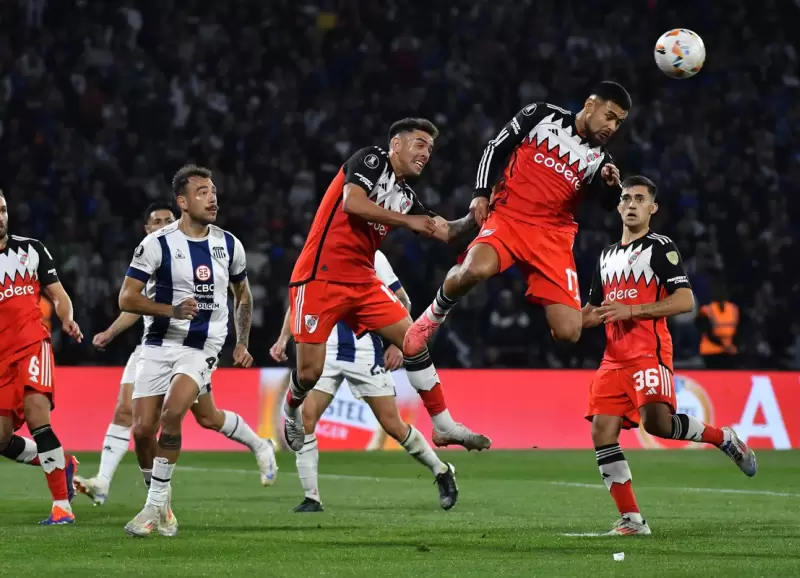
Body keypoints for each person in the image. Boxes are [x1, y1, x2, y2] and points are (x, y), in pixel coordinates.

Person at [284, 117, 490, 452]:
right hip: (320, 275)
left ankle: (444, 426)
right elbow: (352, 202)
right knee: (309, 373)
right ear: (397, 144)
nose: (426, 154)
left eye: (430, 149)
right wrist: (408, 221)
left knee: (413, 339)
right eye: (419, 144)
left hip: (362, 278)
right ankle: (291, 409)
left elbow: (447, 231)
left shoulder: (406, 196)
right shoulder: (371, 159)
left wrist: (479, 213)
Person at [581, 176, 757, 536]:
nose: (631, 204)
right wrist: (566, 319)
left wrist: (631, 311)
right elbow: (592, 310)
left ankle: (723, 437)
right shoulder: (605, 255)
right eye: (626, 198)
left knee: (658, 424)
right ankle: (632, 520)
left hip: (648, 351)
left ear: (652, 208)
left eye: (640, 199)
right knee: (602, 431)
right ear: (618, 207)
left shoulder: (661, 248)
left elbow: (684, 300)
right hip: (613, 358)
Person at [404, 82, 630, 357]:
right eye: (609, 116)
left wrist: (611, 187)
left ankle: (584, 314)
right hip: (509, 217)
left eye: (618, 123)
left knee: (569, 333)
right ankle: (431, 318)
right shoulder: (542, 115)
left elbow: (608, 206)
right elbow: (495, 148)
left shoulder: (600, 160)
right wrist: (480, 193)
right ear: (591, 105)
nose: (612, 126)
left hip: (553, 239)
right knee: (475, 269)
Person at [73, 202, 276, 507]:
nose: (163, 225)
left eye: (168, 219)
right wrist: (112, 332)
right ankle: (115, 486)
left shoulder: (197, 255)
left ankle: (260, 445)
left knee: (208, 417)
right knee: (130, 416)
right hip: (151, 347)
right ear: (148, 228)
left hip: (191, 347)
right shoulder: (151, 255)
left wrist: (237, 340)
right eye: (157, 221)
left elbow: (233, 294)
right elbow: (133, 303)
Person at [119, 165, 257, 537]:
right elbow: (127, 297)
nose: (212, 198)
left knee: (172, 412)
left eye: (213, 191)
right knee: (142, 429)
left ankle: (151, 508)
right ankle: (161, 504)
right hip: (159, 343)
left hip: (202, 345)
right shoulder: (157, 244)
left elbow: (243, 297)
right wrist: (171, 310)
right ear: (182, 201)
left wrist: (241, 341)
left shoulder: (229, 244)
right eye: (201, 192)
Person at [271, 251, 458, 513]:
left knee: (393, 425)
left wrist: (397, 343)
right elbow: (299, 301)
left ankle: (441, 471)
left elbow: (402, 299)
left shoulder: (374, 256)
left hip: (365, 351)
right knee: (307, 418)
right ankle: (311, 498)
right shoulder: (317, 253)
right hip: (326, 350)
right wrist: (283, 338)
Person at [0, 189, 83, 525]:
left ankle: (62, 507)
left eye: (3, 209)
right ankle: (63, 463)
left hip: (34, 346)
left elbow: (58, 294)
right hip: (1, 359)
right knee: (1, 439)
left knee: (38, 419)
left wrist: (66, 317)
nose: (1, 217)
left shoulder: (31, 249)